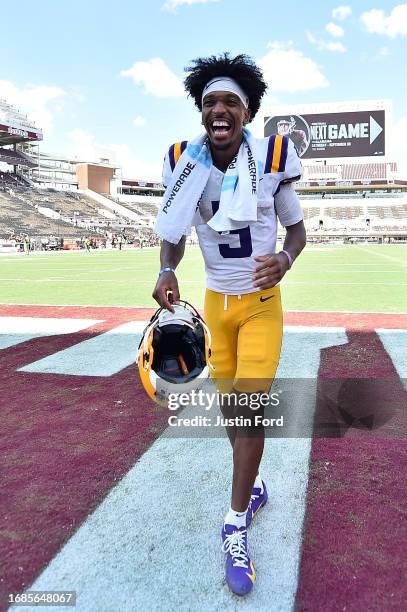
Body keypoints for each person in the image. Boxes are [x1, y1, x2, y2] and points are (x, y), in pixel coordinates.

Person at [152, 53, 306, 596]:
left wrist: (283, 262)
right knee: (233, 416)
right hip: (216, 305)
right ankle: (256, 484)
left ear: (248, 112)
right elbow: (173, 229)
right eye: (210, 102)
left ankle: (234, 521)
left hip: (260, 305)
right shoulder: (182, 162)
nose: (219, 110)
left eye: (231, 103)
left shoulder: (269, 158)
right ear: (201, 111)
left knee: (247, 411)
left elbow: (296, 230)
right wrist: (167, 267)